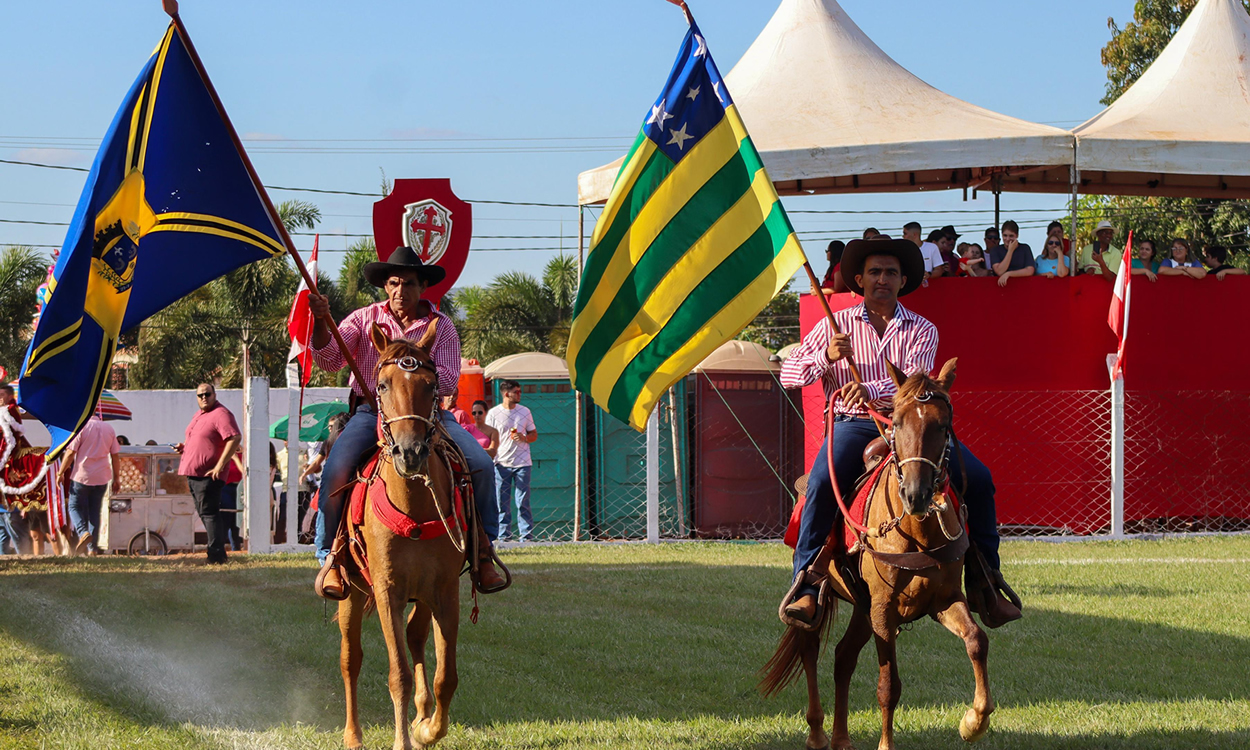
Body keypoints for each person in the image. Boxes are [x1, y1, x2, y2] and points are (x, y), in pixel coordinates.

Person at [779, 238, 1021, 629]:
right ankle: (806, 583)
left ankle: (985, 581)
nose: (882, 279)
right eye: (874, 272)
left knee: (978, 479)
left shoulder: (922, 329)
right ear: (858, 279)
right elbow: (789, 375)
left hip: (910, 425)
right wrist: (827, 357)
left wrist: (870, 390)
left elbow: (915, 388)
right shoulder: (833, 327)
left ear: (903, 279)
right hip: (853, 424)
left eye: (890, 272)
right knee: (823, 481)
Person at [307, 245, 506, 596]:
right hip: (371, 411)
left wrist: (406, 371)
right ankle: (332, 557)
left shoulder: (440, 327)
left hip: (426, 414)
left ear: (422, 287)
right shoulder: (363, 318)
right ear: (386, 286)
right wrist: (322, 322)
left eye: (410, 283)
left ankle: (483, 551)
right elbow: (329, 359)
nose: (402, 291)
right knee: (335, 469)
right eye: (395, 283)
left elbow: (447, 379)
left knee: (480, 466)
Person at [175, 383, 241, 564]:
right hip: (194, 473)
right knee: (205, 513)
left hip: (209, 474)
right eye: (200, 395)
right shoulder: (200, 414)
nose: (204, 397)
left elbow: (235, 437)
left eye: (207, 394)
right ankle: (218, 553)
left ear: (214, 394)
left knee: (209, 513)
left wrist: (220, 465)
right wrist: (185, 447)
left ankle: (216, 555)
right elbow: (201, 439)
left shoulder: (221, 414)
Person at [57, 410, 120, 555]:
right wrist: (117, 478)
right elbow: (115, 456)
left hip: (82, 476)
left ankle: (82, 532)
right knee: (94, 512)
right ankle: (92, 549)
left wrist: (60, 473)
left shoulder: (81, 427)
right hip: (102, 477)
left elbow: (70, 453)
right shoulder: (109, 429)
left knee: (73, 507)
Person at [486, 380, 538, 543]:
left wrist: (524, 438)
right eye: (517, 391)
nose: (520, 394)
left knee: (523, 501)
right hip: (501, 463)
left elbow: (534, 435)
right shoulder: (494, 414)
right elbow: (488, 437)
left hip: (523, 463)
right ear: (507, 394)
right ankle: (504, 536)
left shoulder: (525, 412)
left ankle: (526, 536)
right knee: (502, 502)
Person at [990, 220, 1036, 286]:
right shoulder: (995, 250)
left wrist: (1009, 274)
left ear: (1017, 235)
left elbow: (1030, 270)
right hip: (1001, 288)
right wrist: (1010, 251)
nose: (1008, 239)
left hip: (1023, 286)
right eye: (1005, 235)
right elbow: (999, 271)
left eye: (1011, 236)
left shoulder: (1025, 248)